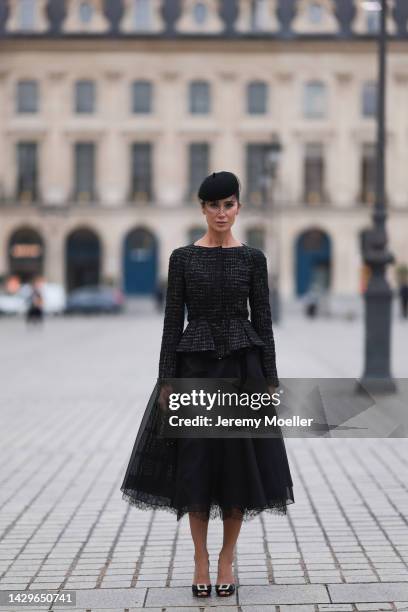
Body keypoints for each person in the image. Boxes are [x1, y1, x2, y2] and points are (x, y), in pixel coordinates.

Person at [120, 171, 294, 599]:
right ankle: (200, 557)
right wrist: (165, 380)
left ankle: (226, 559)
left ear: (238, 207)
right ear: (201, 208)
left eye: (229, 204)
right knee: (195, 463)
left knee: (239, 464)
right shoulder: (181, 258)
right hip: (193, 368)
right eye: (214, 205)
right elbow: (170, 322)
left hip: (242, 370)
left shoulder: (253, 259)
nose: (222, 213)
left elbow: (264, 323)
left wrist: (270, 379)